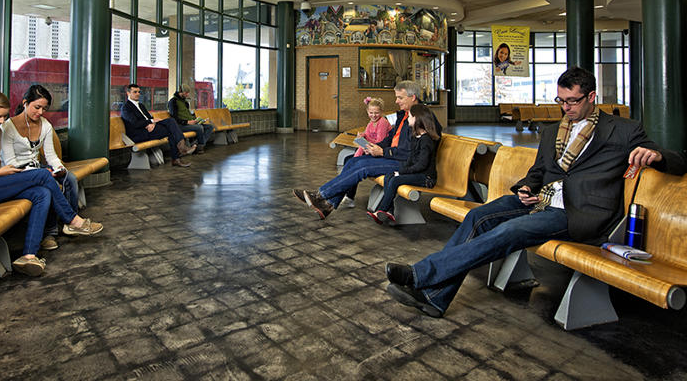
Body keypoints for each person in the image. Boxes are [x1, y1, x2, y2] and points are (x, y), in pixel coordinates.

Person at [384, 67, 687, 319]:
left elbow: (677, 160)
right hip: (540, 201)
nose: (566, 107)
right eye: (561, 100)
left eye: (573, 101)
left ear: (591, 97)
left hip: (580, 212)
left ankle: (421, 275)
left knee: (509, 231)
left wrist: (655, 156)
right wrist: (527, 187)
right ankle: (436, 298)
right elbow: (539, 171)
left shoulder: (623, 130)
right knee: (478, 215)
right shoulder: (553, 131)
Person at [0, 90, 103, 277]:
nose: (2, 121)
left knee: (42, 193)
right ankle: (73, 220)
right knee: (43, 176)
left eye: (4, 116)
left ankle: (28, 255)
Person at [293, 81, 441, 220]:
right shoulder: (404, 115)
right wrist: (375, 147)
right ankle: (329, 204)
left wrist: (383, 152)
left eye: (400, 98)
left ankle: (321, 195)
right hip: (393, 156)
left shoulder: (422, 118)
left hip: (405, 164)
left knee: (363, 167)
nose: (396, 101)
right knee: (353, 161)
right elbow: (390, 138)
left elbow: (412, 153)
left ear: (412, 97)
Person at [1, 84, 80, 252]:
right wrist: (43, 173)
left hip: (39, 169)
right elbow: (10, 163)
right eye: (37, 107)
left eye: (44, 108)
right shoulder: (8, 127)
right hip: (16, 174)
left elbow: (50, 155)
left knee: (69, 178)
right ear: (25, 103)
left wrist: (58, 167)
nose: (41, 112)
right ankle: (49, 233)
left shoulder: (45, 125)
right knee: (47, 184)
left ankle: (70, 223)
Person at [367, 103, 440, 224]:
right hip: (416, 173)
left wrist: (401, 172)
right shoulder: (416, 137)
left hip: (426, 178)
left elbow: (421, 165)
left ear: (417, 119)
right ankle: (389, 212)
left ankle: (381, 209)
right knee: (390, 175)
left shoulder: (426, 141)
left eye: (410, 117)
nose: (408, 119)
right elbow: (411, 160)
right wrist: (399, 171)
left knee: (395, 180)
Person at [121, 83, 196, 167]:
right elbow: (134, 123)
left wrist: (152, 122)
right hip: (138, 133)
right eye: (135, 92)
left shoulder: (141, 105)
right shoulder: (126, 107)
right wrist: (150, 122)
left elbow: (149, 117)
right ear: (128, 93)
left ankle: (178, 155)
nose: (138, 94)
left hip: (149, 128)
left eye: (139, 92)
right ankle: (179, 153)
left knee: (171, 125)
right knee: (171, 127)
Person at [339, 96, 391, 208]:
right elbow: (367, 135)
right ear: (367, 111)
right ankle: (348, 194)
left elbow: (379, 142)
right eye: (371, 112)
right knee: (349, 159)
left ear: (381, 112)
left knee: (353, 163)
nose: (373, 115)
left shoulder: (382, 122)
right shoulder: (370, 123)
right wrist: (362, 136)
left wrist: (366, 144)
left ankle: (348, 195)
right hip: (369, 150)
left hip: (380, 154)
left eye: (376, 113)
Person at [167, 85, 215, 154]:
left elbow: (187, 114)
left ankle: (195, 145)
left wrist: (196, 119)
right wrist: (187, 122)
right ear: (181, 92)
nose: (188, 94)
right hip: (180, 125)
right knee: (199, 128)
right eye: (186, 93)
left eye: (188, 93)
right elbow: (174, 118)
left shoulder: (185, 103)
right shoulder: (173, 102)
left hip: (190, 123)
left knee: (210, 127)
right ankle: (200, 148)